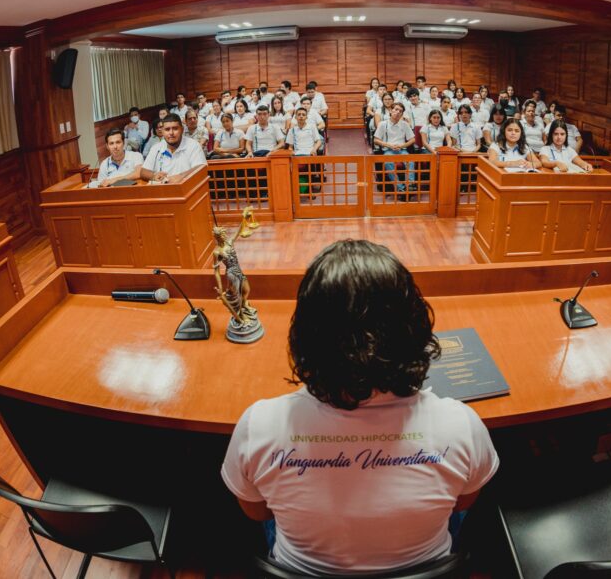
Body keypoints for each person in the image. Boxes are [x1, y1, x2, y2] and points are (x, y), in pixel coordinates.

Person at [221, 239, 499, 575]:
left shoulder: (259, 424)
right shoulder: (462, 424)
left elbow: (257, 512)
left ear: (306, 334)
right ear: (412, 327)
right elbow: (462, 503)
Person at [141, 113, 207, 182]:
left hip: (187, 189)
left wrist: (181, 176)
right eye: (167, 129)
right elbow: (143, 171)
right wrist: (154, 176)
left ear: (182, 129)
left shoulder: (193, 145)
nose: (171, 133)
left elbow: (201, 167)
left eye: (175, 128)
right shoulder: (156, 148)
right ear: (162, 131)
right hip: (162, 190)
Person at [374, 102, 416, 194]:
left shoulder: (404, 124)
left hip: (402, 149)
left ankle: (410, 185)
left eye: (400, 111)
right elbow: (376, 140)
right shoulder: (382, 124)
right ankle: (400, 187)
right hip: (389, 150)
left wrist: (402, 146)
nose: (398, 112)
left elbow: (412, 139)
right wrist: (389, 145)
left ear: (402, 114)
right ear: (391, 110)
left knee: (410, 160)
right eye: (396, 109)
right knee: (388, 162)